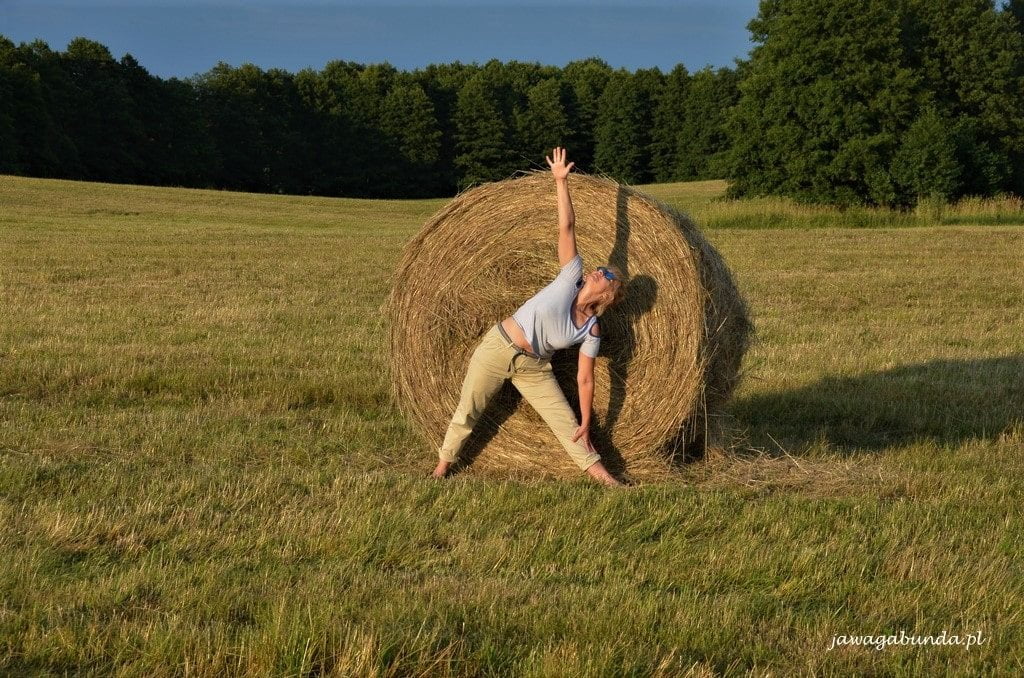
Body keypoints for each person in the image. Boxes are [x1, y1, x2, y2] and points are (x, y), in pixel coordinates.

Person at [431, 147, 627, 487]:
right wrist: (560, 182)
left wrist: (585, 418)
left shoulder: (591, 330)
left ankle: (606, 479)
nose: (598, 272)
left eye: (606, 276)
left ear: (610, 295)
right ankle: (440, 470)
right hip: (498, 348)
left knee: (568, 426)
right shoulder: (571, 277)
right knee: (467, 413)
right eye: (599, 269)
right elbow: (566, 226)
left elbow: (585, 379)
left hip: (535, 367)